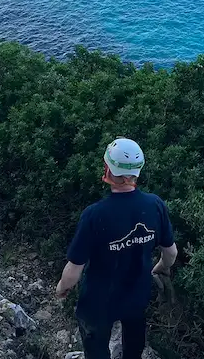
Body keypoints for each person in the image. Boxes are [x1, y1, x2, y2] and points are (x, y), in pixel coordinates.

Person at [56, 137, 178, 359]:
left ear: (108, 169)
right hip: (136, 295)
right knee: (133, 347)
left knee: (96, 348)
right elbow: (170, 253)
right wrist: (159, 268)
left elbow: (74, 270)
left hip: (98, 300)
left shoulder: (94, 215)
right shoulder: (155, 205)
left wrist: (62, 287)